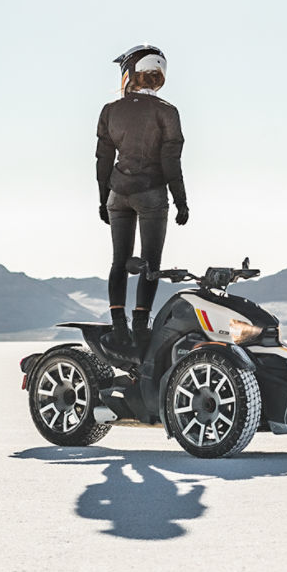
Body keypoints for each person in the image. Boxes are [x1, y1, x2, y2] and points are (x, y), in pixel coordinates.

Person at [95, 44, 189, 353]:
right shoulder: (167, 112)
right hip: (152, 195)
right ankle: (140, 326)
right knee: (151, 262)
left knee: (119, 261)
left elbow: (103, 160)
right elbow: (171, 163)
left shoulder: (110, 110)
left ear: (129, 73)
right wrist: (181, 201)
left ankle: (118, 326)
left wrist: (102, 199)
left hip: (117, 194)